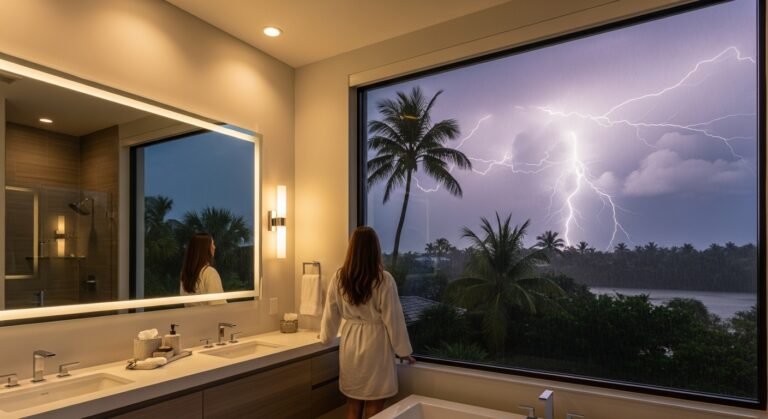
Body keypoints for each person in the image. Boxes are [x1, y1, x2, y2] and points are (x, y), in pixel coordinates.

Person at [320, 226, 415, 419]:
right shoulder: (383, 279)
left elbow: (331, 313)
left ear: (351, 249)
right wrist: (404, 352)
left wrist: (325, 337)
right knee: (374, 404)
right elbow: (394, 320)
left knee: (353, 404)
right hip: (376, 345)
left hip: (351, 343)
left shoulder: (339, 278)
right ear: (375, 249)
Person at [179, 233, 226, 306]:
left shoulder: (185, 274)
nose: (214, 247)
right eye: (212, 244)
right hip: (209, 317)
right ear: (205, 249)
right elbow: (218, 305)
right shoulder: (209, 273)